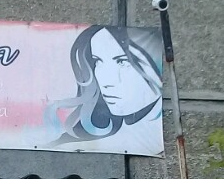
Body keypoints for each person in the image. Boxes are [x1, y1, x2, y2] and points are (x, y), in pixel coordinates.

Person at [48, 25, 164, 154]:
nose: (106, 82)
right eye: (97, 61)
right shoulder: (73, 141)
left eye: (122, 62)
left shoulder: (151, 139)